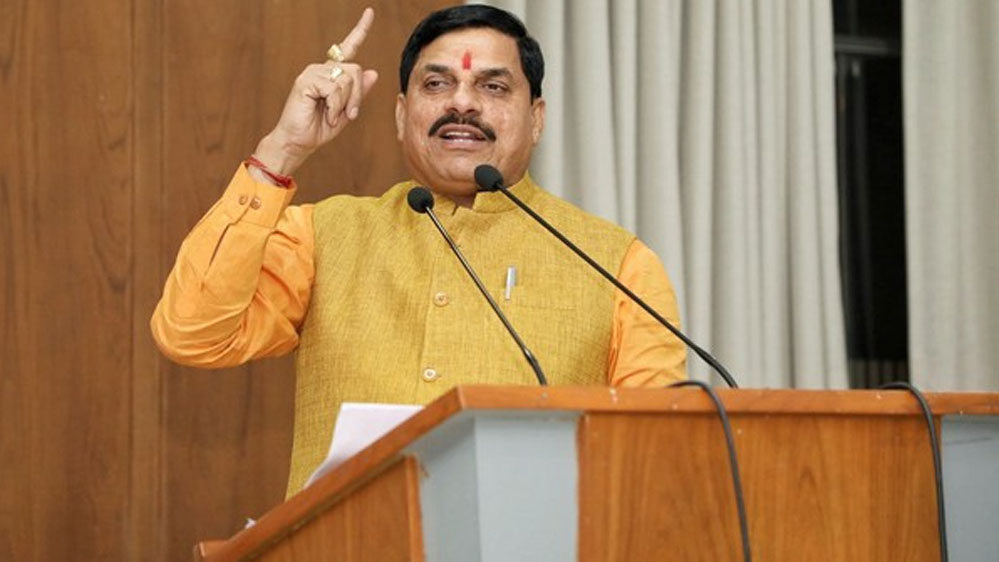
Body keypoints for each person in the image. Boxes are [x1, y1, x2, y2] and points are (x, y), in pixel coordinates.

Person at [151, 5, 686, 495]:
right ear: (401, 115)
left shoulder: (616, 265)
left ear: (537, 118)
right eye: (437, 83)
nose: (462, 103)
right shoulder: (322, 235)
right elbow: (193, 333)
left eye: (493, 86)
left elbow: (657, 461)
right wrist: (282, 150)